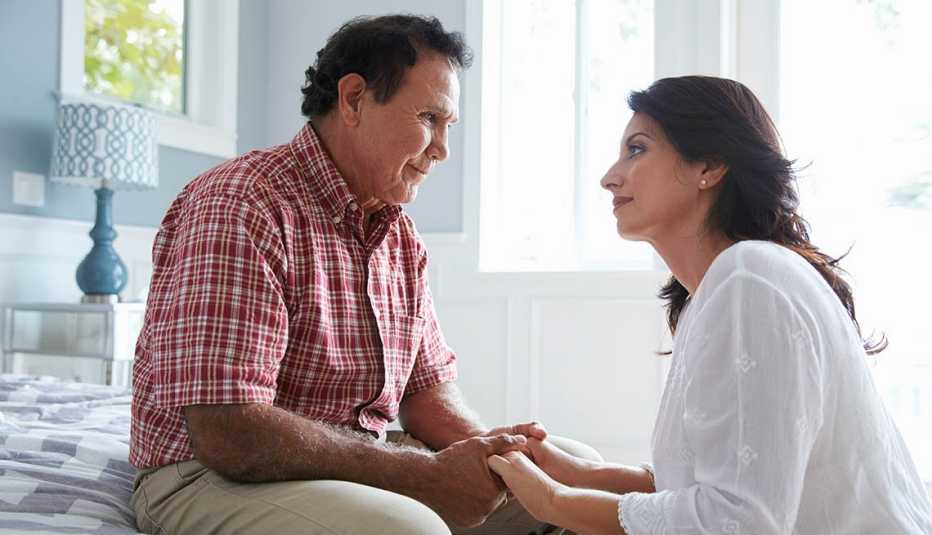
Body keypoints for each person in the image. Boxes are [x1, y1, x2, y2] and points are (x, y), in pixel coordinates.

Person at [129, 14, 598, 535]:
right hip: (207, 474)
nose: (442, 148)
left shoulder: (399, 236)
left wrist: (494, 456)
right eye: (428, 119)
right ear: (353, 99)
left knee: (566, 487)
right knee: (407, 528)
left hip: (351, 463)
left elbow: (426, 395)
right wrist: (420, 474)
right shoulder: (242, 205)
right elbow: (228, 431)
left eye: (449, 127)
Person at [487, 75, 932, 534]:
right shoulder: (729, 285)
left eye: (637, 149)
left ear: (711, 165)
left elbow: (739, 520)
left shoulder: (750, 279)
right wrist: (581, 475)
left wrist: (553, 502)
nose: (609, 177)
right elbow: (726, 484)